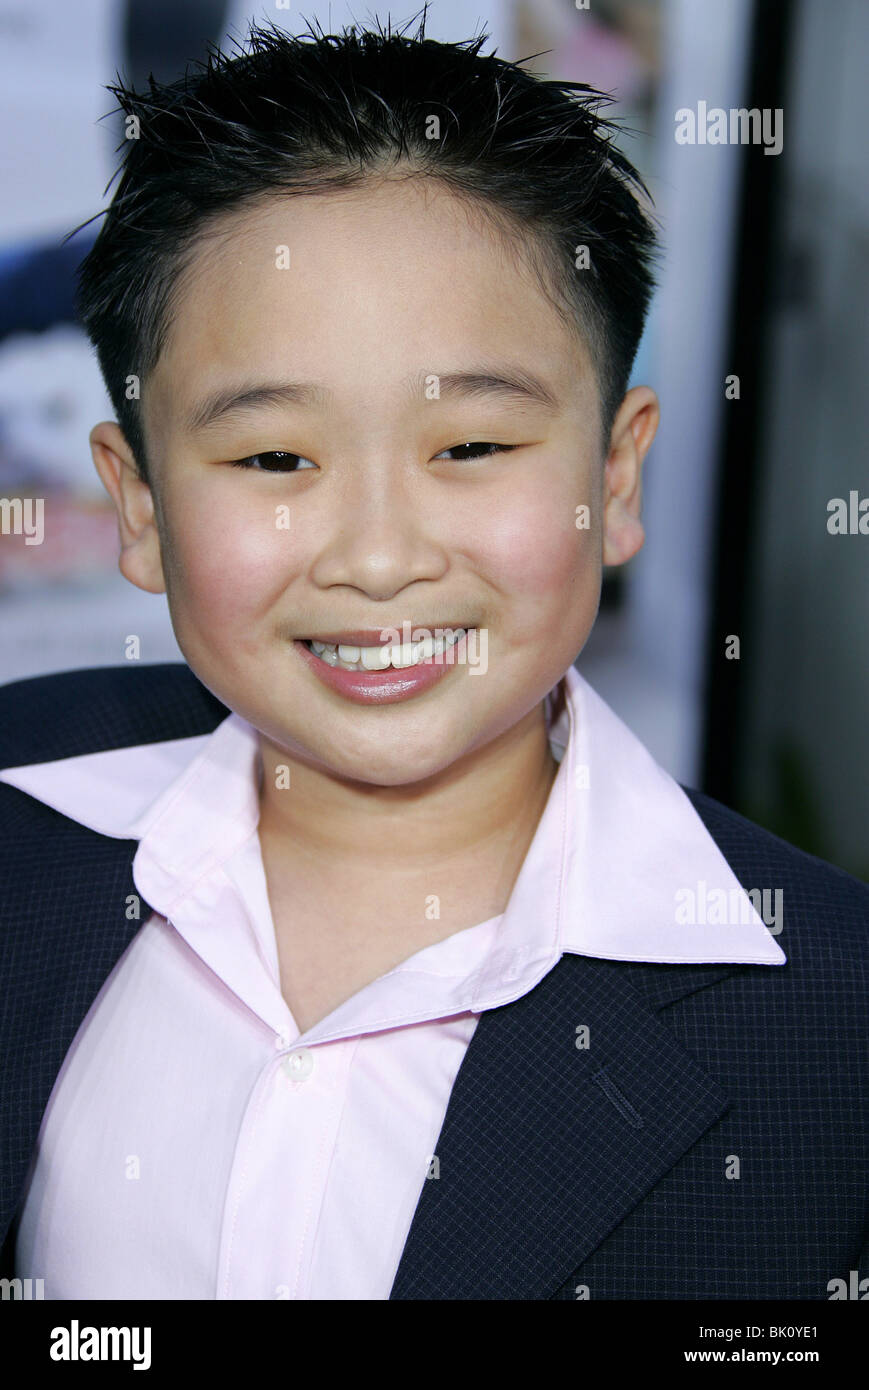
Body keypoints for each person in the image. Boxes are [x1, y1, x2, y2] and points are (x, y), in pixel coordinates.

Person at [0, 18, 865, 1301]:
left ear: (613, 477)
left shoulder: (833, 1034)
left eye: (468, 448)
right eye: (272, 458)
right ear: (138, 510)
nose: (379, 554)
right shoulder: (23, 797)